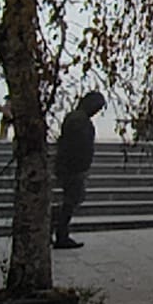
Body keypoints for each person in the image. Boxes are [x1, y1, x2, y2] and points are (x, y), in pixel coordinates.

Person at [53, 90, 105, 250]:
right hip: (73, 168)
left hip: (71, 167)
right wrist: (79, 166)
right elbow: (77, 147)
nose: (97, 112)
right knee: (70, 201)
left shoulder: (75, 117)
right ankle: (61, 234)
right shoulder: (79, 120)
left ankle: (59, 231)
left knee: (71, 200)